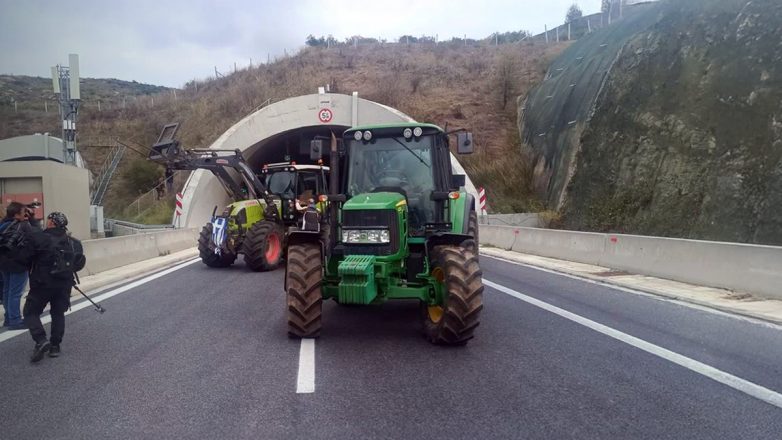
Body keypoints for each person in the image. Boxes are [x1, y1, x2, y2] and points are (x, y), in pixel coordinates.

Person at [23, 212, 86, 362]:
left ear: (51, 222)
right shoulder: (74, 242)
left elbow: (26, 258)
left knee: (30, 312)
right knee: (58, 314)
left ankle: (40, 340)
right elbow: (78, 264)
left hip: (42, 284)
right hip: (64, 284)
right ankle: (55, 347)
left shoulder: (39, 238)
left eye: (47, 220)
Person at [0, 202, 35, 330]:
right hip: (18, 264)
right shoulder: (23, 225)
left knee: (7, 291)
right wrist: (32, 219)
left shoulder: (3, 225)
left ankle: (9, 318)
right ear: (16, 215)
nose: (25, 214)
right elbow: (34, 239)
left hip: (3, 263)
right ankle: (15, 320)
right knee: (15, 293)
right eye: (23, 212)